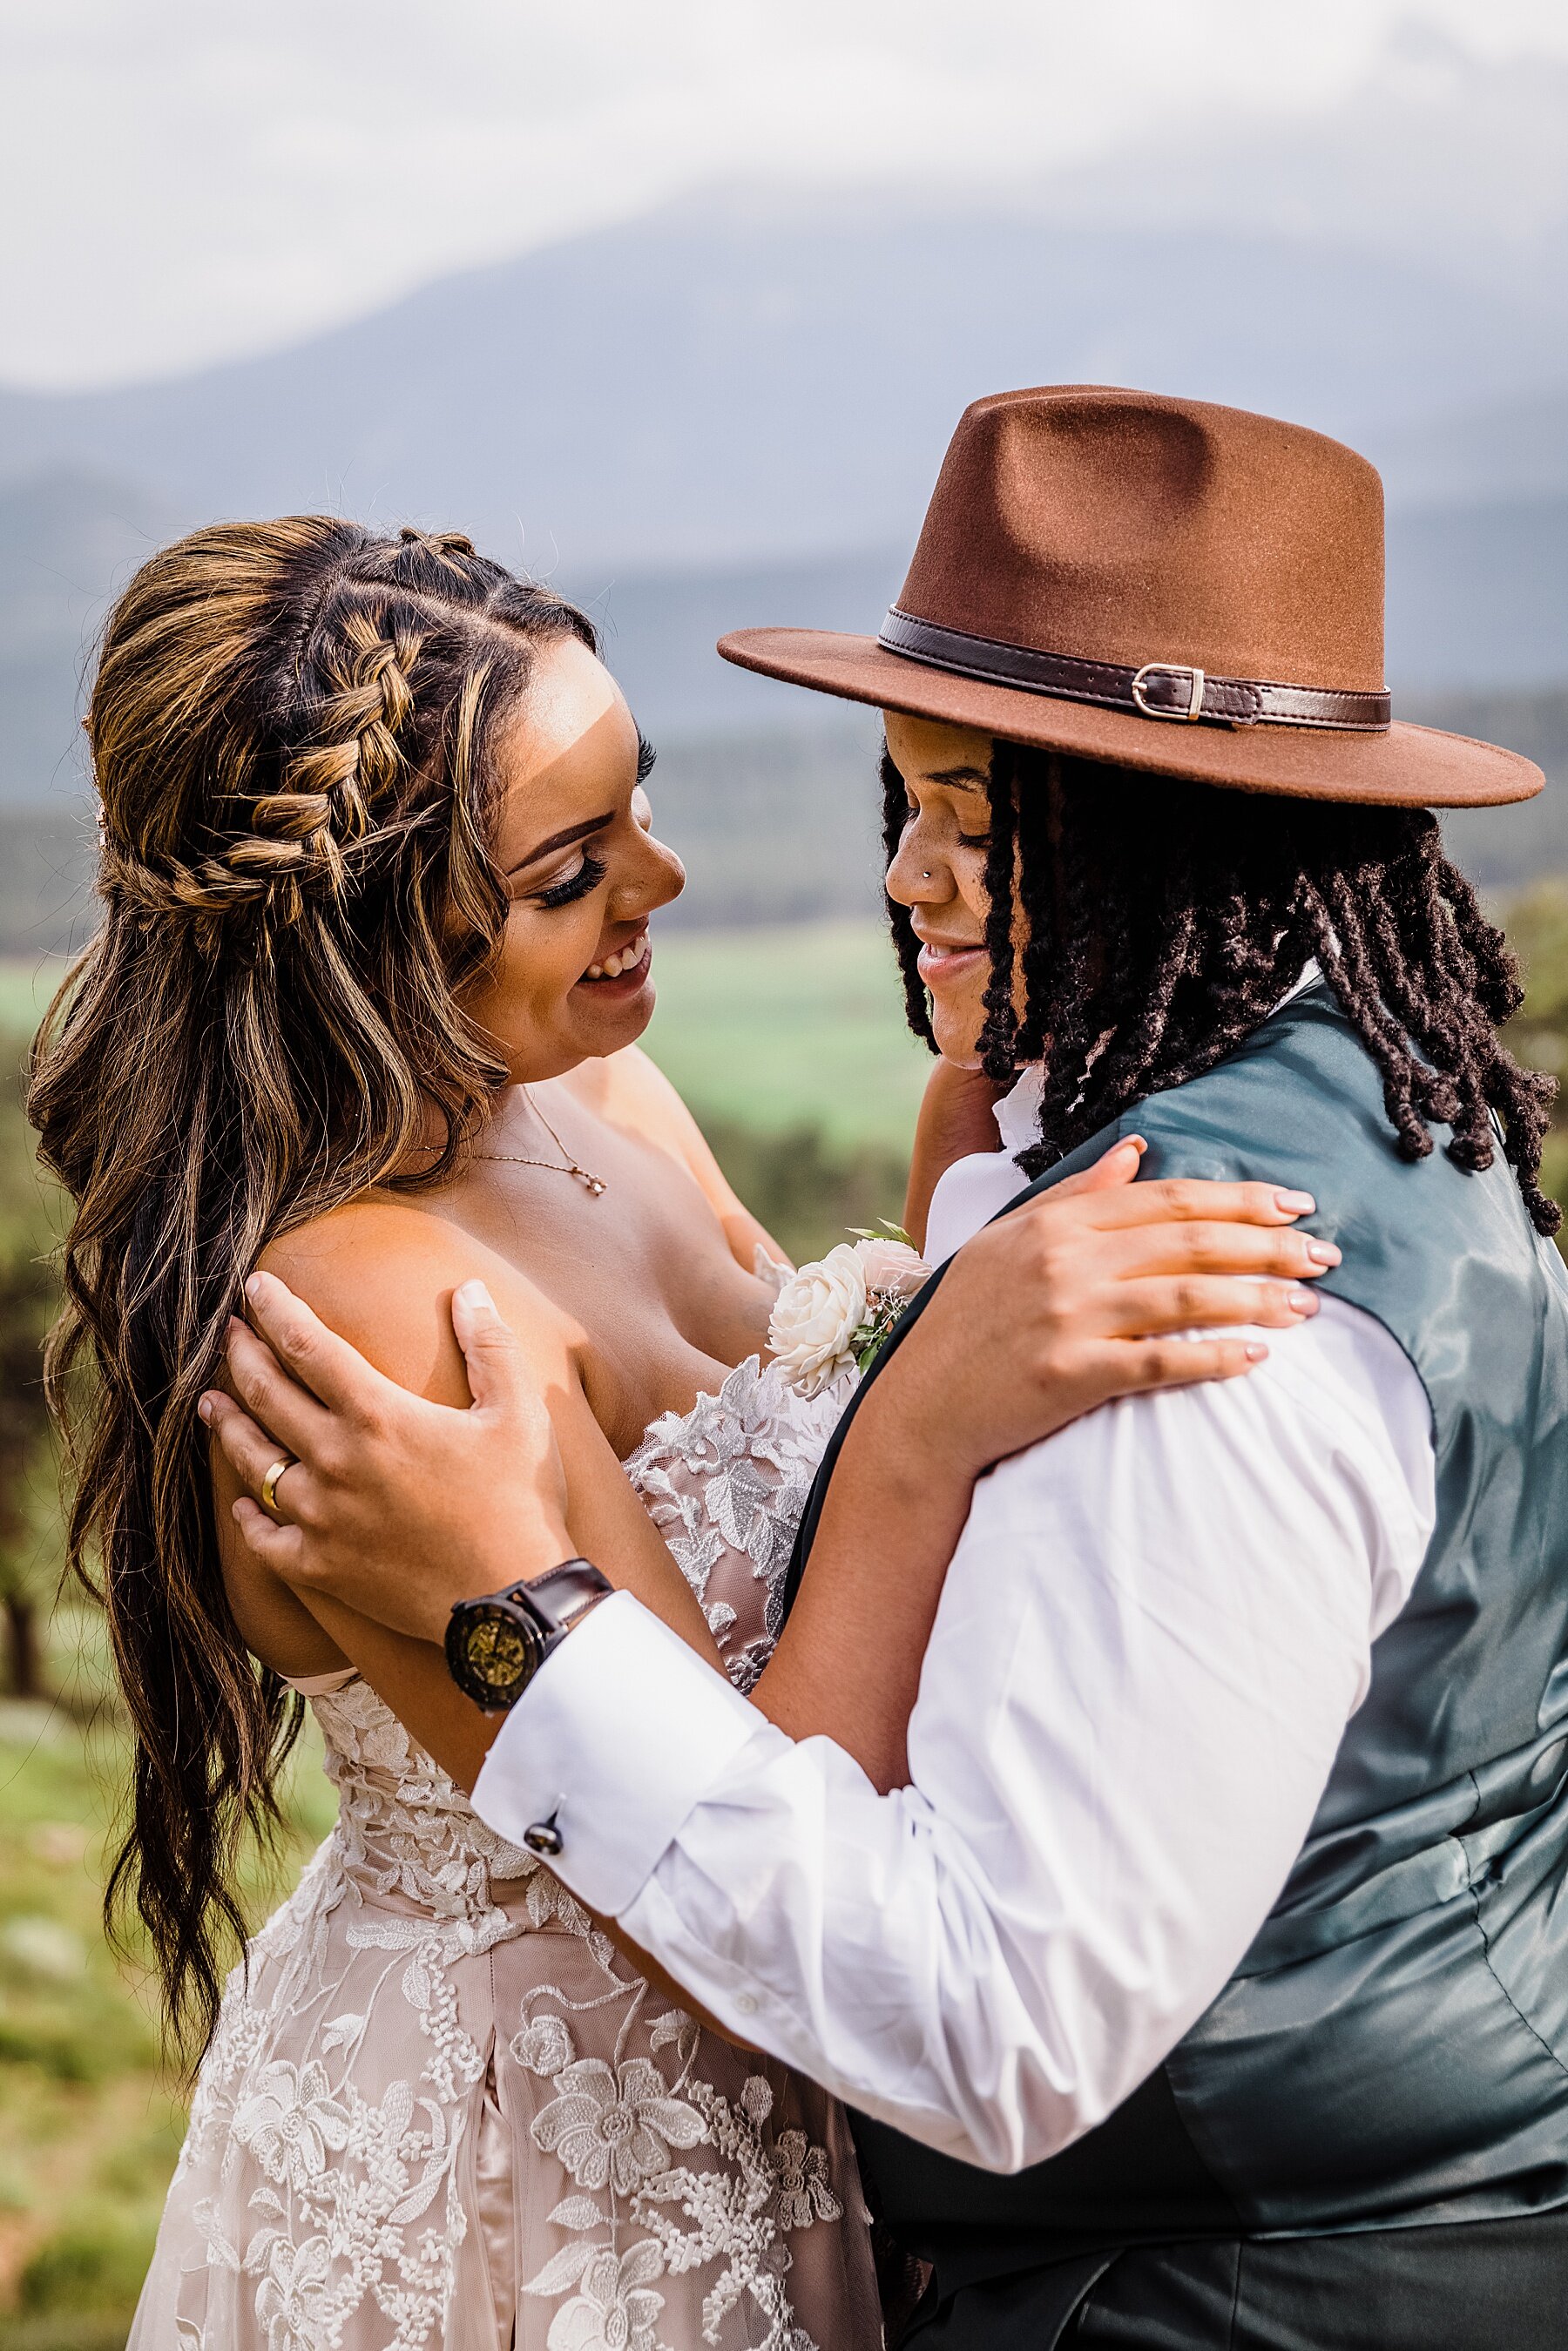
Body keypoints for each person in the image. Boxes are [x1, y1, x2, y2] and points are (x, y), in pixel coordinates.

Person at [208, 388, 1568, 2350]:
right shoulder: (1279, 1120)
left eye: (966, 816)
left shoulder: (1204, 1300)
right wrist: (925, 1391)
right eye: (902, 798)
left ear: (1161, 839)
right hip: (542, 2197)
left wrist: (541, 1606)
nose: (898, 877)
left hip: (1195, 2276)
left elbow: (995, 2024)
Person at [30, 510, 1317, 2351]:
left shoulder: (593, 1089)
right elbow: (715, 1884)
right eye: (572, 871)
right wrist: (927, 1418)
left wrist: (963, 1173)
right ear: (365, 935)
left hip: (793, 2108)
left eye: (641, 799)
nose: (666, 873)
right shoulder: (380, 1317)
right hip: (563, 2175)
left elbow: (763, 1452)